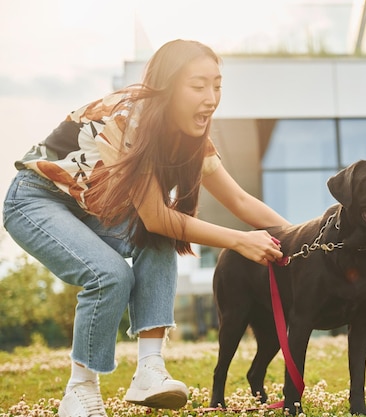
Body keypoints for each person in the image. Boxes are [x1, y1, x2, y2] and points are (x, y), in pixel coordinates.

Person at [2, 39, 290, 416]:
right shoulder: (131, 119)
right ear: (168, 85)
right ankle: (80, 390)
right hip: (36, 199)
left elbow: (238, 201)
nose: (211, 97)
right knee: (110, 275)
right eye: (198, 85)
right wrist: (239, 240)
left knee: (156, 241)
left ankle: (149, 371)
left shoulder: (191, 135)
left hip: (91, 210)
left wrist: (302, 236)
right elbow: (157, 216)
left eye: (217, 85)